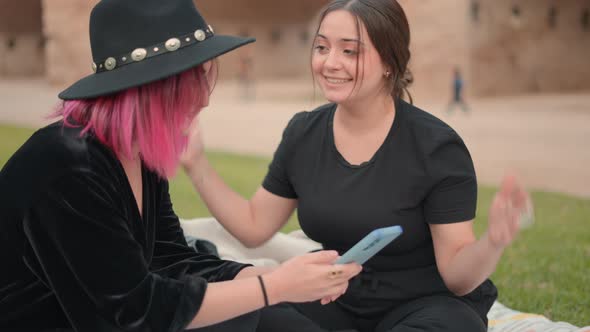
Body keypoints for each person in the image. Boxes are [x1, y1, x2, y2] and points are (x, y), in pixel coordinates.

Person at [0, 1, 362, 331]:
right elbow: (135, 313)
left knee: (288, 320)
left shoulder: (138, 153)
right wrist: (274, 287)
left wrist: (269, 275)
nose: (205, 98)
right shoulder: (68, 168)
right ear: (150, 89)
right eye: (193, 81)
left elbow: (169, 258)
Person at [181, 1, 532, 331]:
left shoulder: (436, 147)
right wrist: (197, 164)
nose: (331, 62)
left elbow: (457, 276)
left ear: (390, 63)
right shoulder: (303, 133)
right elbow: (254, 226)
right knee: (242, 311)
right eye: (322, 47)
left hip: (427, 304)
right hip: (333, 297)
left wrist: (492, 242)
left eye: (350, 51)